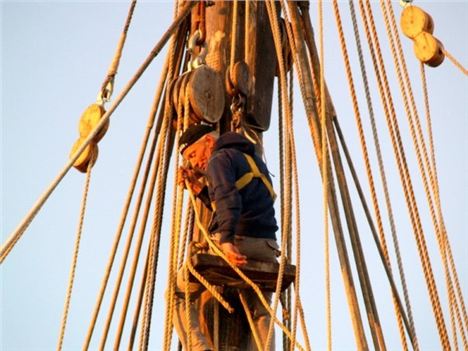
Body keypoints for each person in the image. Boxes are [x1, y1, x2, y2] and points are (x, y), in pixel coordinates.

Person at [173, 123, 279, 351]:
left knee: (178, 293)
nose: (193, 162)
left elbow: (226, 199)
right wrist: (199, 189)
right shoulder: (252, 160)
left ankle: (200, 349)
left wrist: (227, 241)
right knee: (260, 308)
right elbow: (236, 203)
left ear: (209, 142)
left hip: (239, 241)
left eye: (192, 154)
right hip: (267, 247)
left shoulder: (218, 159)